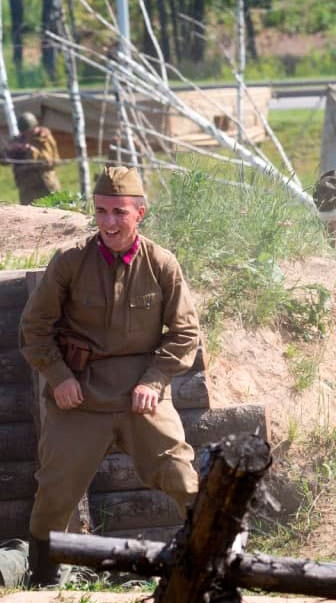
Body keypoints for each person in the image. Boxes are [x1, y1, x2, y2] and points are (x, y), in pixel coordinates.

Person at [19, 166, 201, 586]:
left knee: (182, 478)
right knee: (54, 492)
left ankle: (213, 562)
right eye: (101, 211)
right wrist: (59, 377)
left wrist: (154, 381)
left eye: (119, 212)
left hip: (142, 395)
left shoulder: (161, 263)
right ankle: (43, 580)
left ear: (140, 213)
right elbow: (34, 329)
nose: (109, 222)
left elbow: (185, 332)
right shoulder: (69, 262)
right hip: (79, 398)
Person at [4, 112, 62, 205]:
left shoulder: (44, 138)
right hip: (27, 188)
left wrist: (31, 150)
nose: (27, 134)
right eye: (24, 132)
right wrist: (11, 150)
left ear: (35, 127)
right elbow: (5, 160)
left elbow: (51, 161)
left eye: (29, 131)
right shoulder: (18, 140)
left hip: (45, 184)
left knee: (55, 210)